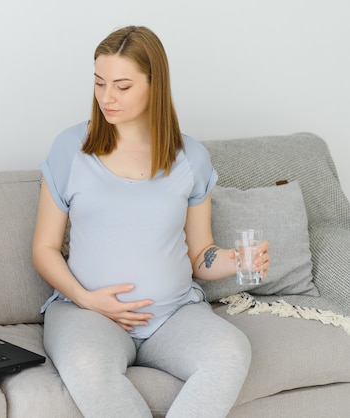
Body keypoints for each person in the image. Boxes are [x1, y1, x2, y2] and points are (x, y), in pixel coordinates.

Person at [32, 25, 270, 418]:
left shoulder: (190, 157)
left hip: (174, 315)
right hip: (87, 314)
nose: (107, 97)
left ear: (153, 84)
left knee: (231, 352)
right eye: (99, 83)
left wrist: (239, 260)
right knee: (89, 367)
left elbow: (201, 255)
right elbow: (44, 249)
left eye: (122, 86)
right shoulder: (69, 150)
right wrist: (86, 298)